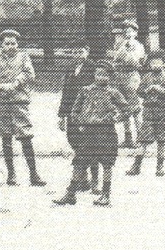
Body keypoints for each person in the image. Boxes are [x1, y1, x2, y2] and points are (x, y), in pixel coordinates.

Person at [53, 60, 130, 206]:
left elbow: (127, 110)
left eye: (106, 75)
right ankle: (70, 194)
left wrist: (115, 118)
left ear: (110, 77)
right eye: (99, 74)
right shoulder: (85, 91)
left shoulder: (113, 93)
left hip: (107, 133)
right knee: (79, 162)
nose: (102, 78)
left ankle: (105, 195)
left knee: (107, 163)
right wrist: (79, 122)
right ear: (94, 74)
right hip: (88, 133)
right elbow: (74, 110)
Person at [0, 29, 44, 186]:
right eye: (7, 44)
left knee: (26, 137)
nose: (11, 46)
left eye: (13, 43)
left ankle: (34, 174)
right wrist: (3, 87)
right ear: (2, 46)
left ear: (18, 44)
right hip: (2, 104)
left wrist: (16, 83)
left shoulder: (24, 58)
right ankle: (11, 174)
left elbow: (29, 74)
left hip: (19, 103)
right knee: (6, 139)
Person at [129, 52, 165, 177]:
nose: (155, 64)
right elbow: (140, 91)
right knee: (143, 139)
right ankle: (136, 165)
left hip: (163, 112)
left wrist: (160, 89)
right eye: (152, 62)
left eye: (158, 62)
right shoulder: (146, 77)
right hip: (148, 112)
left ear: (163, 62)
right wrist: (146, 90)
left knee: (162, 140)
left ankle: (160, 166)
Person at [56, 43, 99, 191]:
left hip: (86, 112)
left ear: (87, 52)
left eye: (80, 51)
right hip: (71, 112)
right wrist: (62, 115)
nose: (77, 55)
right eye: (74, 52)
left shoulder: (93, 67)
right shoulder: (70, 69)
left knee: (89, 146)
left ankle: (93, 181)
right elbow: (65, 93)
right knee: (73, 140)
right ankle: (84, 178)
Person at [108, 20, 147, 147]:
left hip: (132, 78)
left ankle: (141, 138)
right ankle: (128, 137)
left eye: (130, 31)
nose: (127, 33)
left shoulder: (139, 46)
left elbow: (137, 63)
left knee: (135, 108)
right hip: (120, 78)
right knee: (123, 108)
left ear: (135, 33)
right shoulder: (120, 45)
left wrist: (126, 57)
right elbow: (114, 62)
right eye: (125, 31)